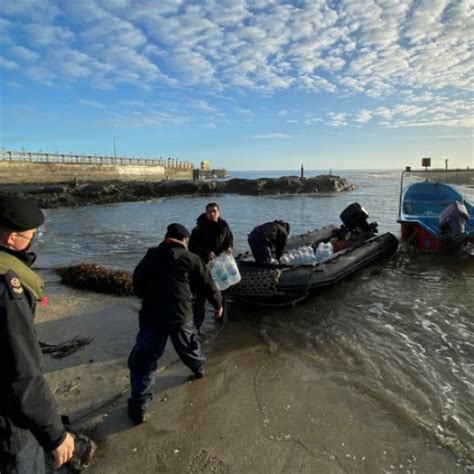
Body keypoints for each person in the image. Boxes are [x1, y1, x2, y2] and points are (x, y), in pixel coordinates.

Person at [0, 195, 75, 473]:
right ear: (11, 239)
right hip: (9, 424)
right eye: (31, 234)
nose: (34, 239)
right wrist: (55, 434)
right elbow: (22, 372)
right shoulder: (9, 290)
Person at [127, 223, 222, 424]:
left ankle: (139, 407)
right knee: (189, 347)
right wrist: (218, 304)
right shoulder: (191, 258)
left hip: (152, 314)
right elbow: (208, 283)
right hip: (180, 314)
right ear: (184, 240)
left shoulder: (151, 256)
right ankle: (198, 369)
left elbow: (137, 280)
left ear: (166, 238)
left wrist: (145, 295)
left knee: (145, 360)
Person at [188, 202, 233, 330]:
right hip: (203, 264)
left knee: (224, 289)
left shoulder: (224, 225)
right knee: (201, 294)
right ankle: (196, 327)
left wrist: (229, 247)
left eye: (214, 211)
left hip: (220, 263)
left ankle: (221, 318)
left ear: (219, 212)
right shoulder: (199, 228)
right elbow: (192, 247)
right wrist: (206, 252)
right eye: (210, 211)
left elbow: (228, 239)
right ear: (206, 213)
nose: (212, 214)